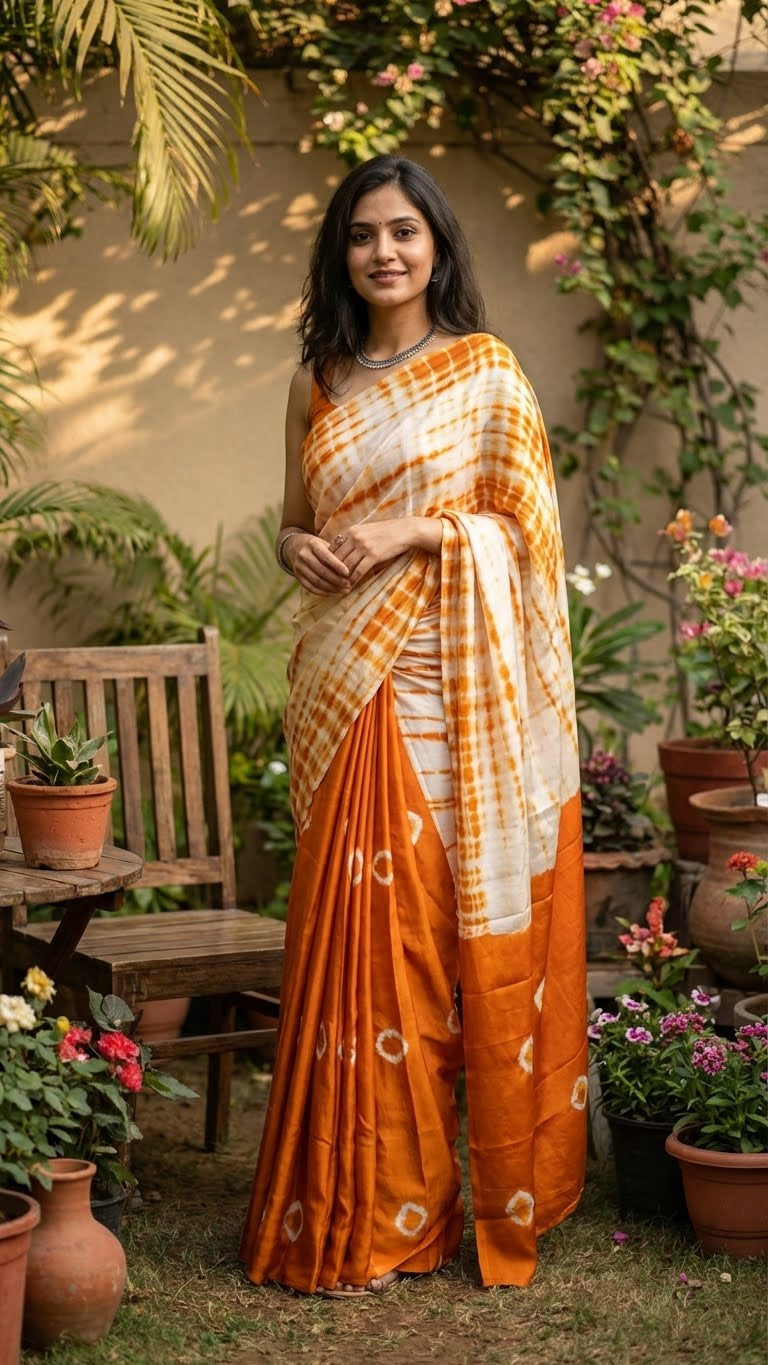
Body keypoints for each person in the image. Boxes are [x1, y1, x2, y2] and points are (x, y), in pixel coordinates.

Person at [240, 155, 587, 1297]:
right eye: (360, 235)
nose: (382, 252)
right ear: (339, 253)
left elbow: (525, 537)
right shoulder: (318, 379)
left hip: (456, 687)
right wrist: (315, 549)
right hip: (347, 680)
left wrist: (408, 534)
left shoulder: (486, 374)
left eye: (402, 232)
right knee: (364, 949)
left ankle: (442, 1199)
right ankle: (367, 1210)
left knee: (438, 943)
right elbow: (294, 527)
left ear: (437, 245)